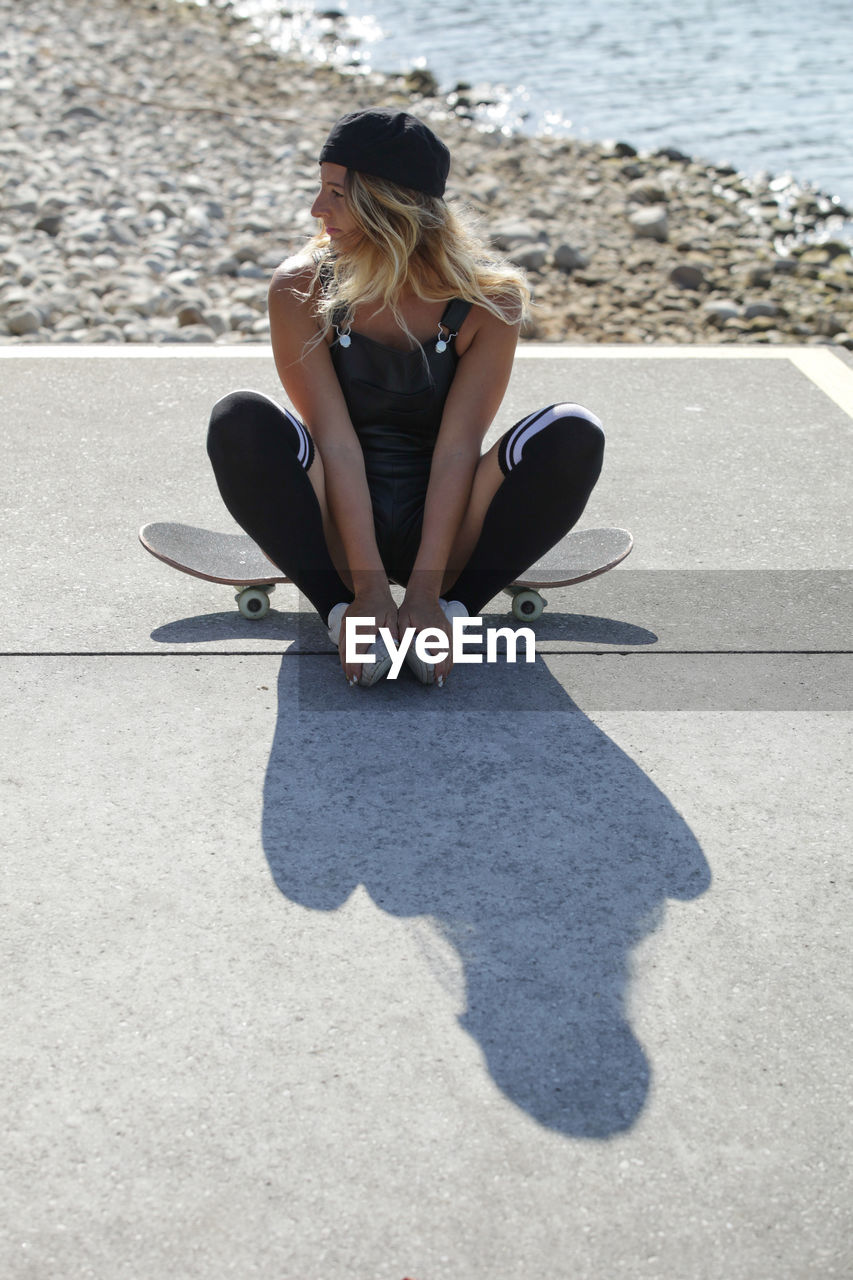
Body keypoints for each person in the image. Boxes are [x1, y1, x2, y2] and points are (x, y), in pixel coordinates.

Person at [207, 108, 605, 688]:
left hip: (452, 539)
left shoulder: (490, 303)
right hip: (337, 534)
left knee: (574, 432)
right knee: (239, 419)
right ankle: (340, 615)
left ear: (388, 206)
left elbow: (456, 451)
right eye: (321, 189)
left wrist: (424, 590)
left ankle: (453, 614)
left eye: (337, 194)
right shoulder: (299, 287)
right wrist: (368, 589)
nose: (317, 210)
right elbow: (335, 443)